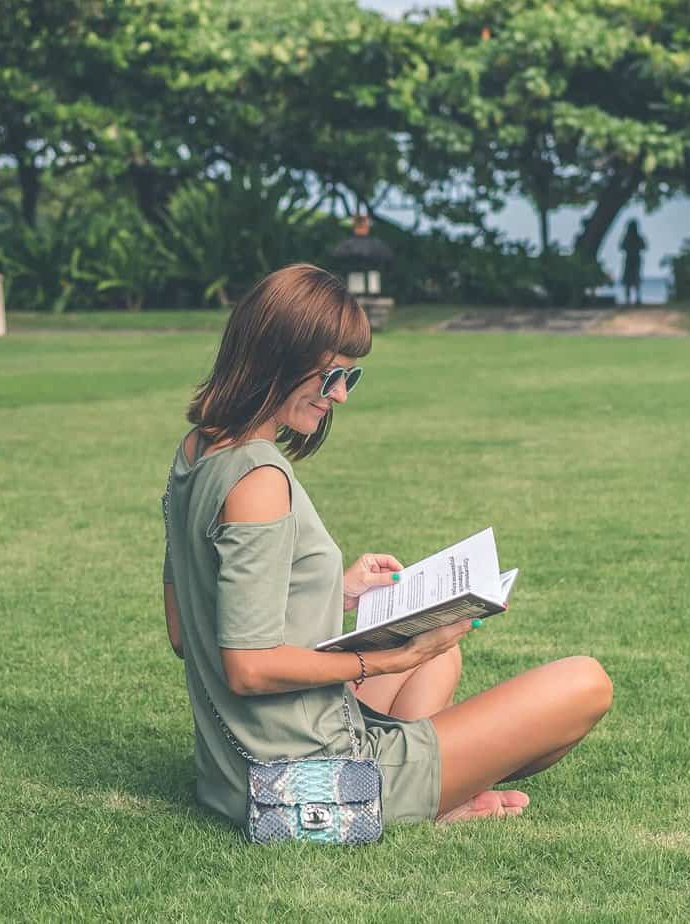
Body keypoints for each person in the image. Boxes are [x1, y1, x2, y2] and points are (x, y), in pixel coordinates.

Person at [160, 263, 612, 830]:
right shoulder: (259, 480)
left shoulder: (197, 451)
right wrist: (384, 658)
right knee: (584, 683)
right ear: (277, 357)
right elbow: (248, 667)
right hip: (302, 787)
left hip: (230, 776)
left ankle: (423, 791)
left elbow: (187, 628)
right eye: (330, 379)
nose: (341, 396)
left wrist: (334, 589)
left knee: (441, 656)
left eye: (352, 378)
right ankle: (418, 800)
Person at [620, 219, 647, 305]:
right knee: (633, 279)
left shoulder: (632, 237)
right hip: (633, 259)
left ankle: (631, 300)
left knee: (632, 279)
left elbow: (621, 247)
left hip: (632, 260)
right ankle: (633, 299)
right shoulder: (635, 237)